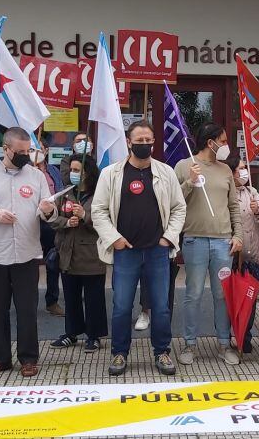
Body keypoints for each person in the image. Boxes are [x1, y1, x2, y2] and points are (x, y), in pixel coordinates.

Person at [92, 121, 186, 376]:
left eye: (149, 140)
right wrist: (114, 239)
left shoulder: (165, 172)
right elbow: (98, 210)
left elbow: (179, 208)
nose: (144, 145)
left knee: (161, 306)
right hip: (125, 251)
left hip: (157, 251)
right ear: (129, 142)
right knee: (122, 305)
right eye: (139, 140)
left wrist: (169, 237)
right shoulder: (111, 174)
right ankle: (120, 353)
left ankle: (162, 352)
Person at [0, 127, 58, 378]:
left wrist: (48, 210)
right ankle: (0, 358)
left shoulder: (36, 177)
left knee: (27, 310)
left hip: (27, 253)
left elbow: (49, 213)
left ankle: (28, 358)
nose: (26, 156)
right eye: (20, 152)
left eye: (29, 151)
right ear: (5, 149)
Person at [174, 123, 243, 365]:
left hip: (223, 241)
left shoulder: (225, 170)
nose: (226, 146)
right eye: (223, 141)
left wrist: (238, 235)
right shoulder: (184, 166)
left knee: (222, 295)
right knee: (192, 294)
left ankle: (224, 344)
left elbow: (234, 206)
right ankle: (189, 344)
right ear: (210, 141)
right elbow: (174, 202)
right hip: (194, 240)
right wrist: (190, 182)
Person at [48, 153, 108, 352]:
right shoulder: (66, 193)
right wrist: (66, 222)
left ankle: (94, 335)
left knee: (94, 298)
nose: (72, 174)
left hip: (91, 256)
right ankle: (71, 333)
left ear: (88, 173)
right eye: (71, 170)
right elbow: (52, 218)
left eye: (77, 170)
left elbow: (106, 222)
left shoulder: (99, 194)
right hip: (68, 254)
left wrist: (85, 216)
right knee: (71, 296)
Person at [223, 152, 259, 352]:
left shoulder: (251, 191)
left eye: (245, 168)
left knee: (250, 298)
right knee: (231, 297)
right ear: (231, 173)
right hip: (232, 255)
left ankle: (245, 335)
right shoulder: (225, 192)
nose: (244, 172)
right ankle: (227, 337)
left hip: (255, 254)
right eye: (240, 168)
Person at [31, 143, 65, 317]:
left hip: (51, 222)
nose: (35, 153)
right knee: (30, 264)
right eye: (31, 150)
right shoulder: (25, 171)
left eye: (38, 149)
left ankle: (52, 302)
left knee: (53, 262)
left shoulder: (53, 170)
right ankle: (28, 301)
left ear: (45, 151)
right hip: (31, 223)